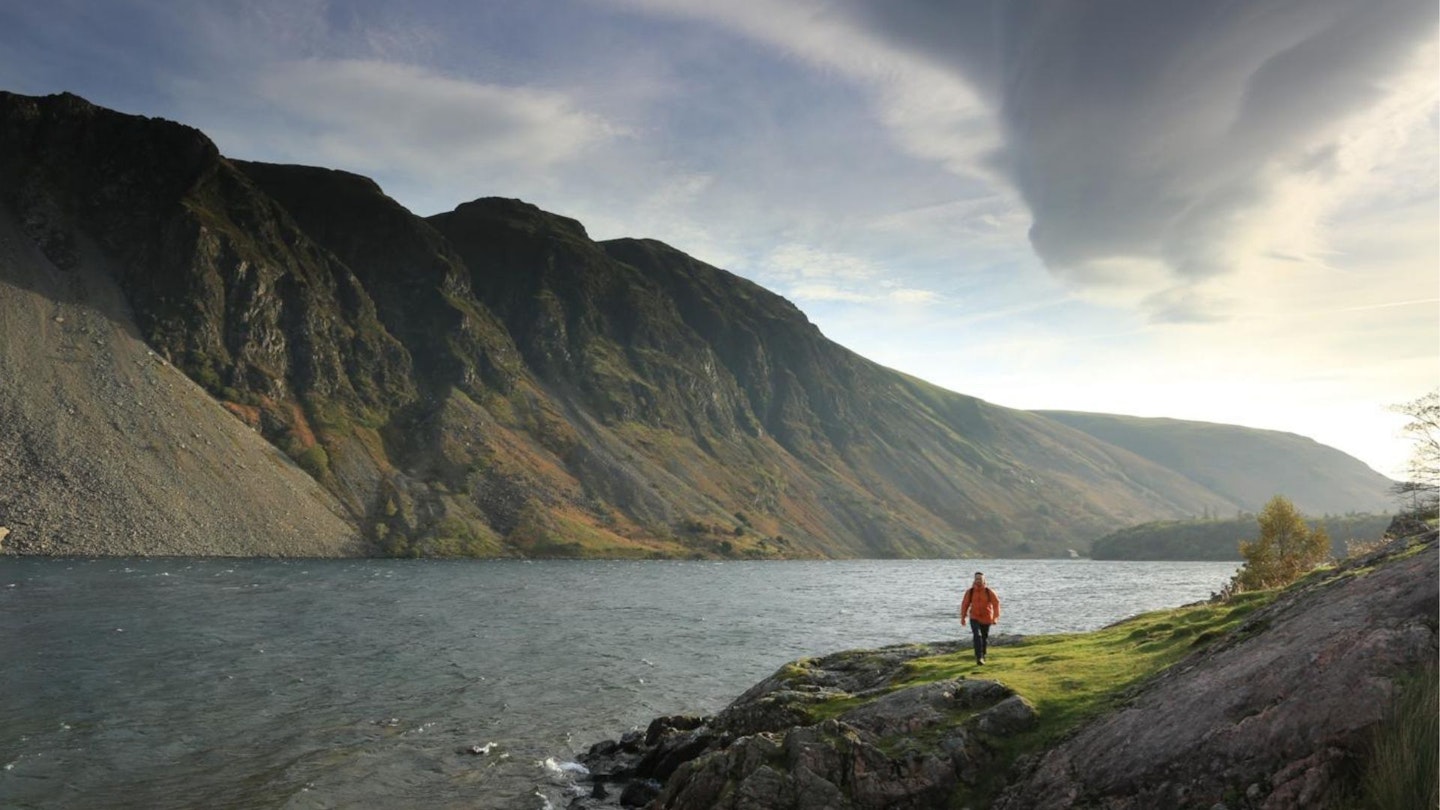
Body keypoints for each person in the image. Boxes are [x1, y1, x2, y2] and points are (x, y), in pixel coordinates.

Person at [959, 571, 1001, 665]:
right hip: (974, 617)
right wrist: (963, 617)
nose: (978, 581)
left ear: (984, 580)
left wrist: (995, 618)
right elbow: (965, 604)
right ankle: (979, 658)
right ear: (974, 580)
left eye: (980, 579)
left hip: (986, 618)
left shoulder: (989, 592)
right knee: (977, 636)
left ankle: (983, 655)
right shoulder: (970, 592)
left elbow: (996, 604)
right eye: (976, 579)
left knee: (984, 638)